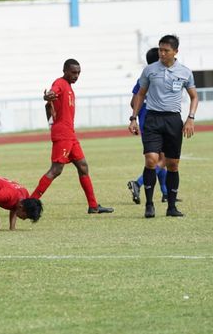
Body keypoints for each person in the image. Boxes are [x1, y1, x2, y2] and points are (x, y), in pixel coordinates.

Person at [30, 59, 114, 214]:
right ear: (65, 71)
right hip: (63, 134)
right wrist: (48, 96)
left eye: (78, 73)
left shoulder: (68, 87)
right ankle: (30, 203)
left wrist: (50, 120)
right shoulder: (60, 83)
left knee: (83, 167)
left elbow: (48, 106)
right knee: (56, 170)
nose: (76, 76)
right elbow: (51, 94)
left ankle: (93, 206)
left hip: (70, 134)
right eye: (73, 72)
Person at [129, 34, 198, 218]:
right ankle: (149, 205)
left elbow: (194, 96)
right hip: (152, 119)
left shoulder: (185, 72)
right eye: (160, 49)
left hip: (173, 120)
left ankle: (171, 207)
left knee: (173, 164)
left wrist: (190, 118)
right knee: (151, 160)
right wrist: (134, 118)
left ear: (175, 51)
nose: (162, 53)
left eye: (166, 50)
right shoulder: (149, 70)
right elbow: (140, 95)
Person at [127, 48, 173, 204]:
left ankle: (166, 193)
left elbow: (133, 102)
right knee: (164, 158)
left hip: (144, 121)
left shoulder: (142, 78)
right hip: (158, 121)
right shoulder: (160, 77)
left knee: (158, 157)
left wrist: (135, 117)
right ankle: (138, 183)